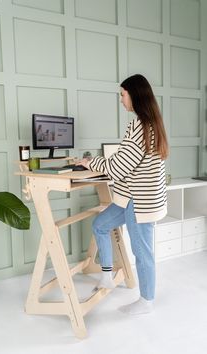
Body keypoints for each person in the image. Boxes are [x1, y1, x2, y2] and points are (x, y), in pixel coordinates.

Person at [77, 74, 168, 315]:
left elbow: (119, 167)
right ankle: (107, 276)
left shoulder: (139, 125)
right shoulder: (151, 123)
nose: (120, 99)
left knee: (142, 251)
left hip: (139, 201)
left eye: (122, 94)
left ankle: (146, 301)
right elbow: (128, 162)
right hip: (131, 197)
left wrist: (90, 162)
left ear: (134, 95)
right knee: (100, 224)